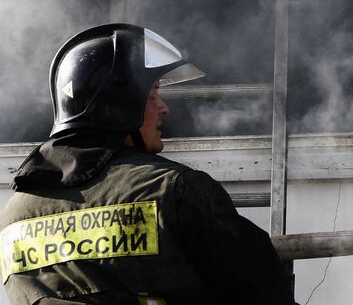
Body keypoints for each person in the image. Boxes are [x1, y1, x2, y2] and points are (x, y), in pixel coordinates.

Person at [0, 24, 295, 304]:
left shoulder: (14, 216)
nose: (164, 107)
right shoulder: (177, 191)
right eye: (153, 94)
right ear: (120, 103)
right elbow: (263, 292)